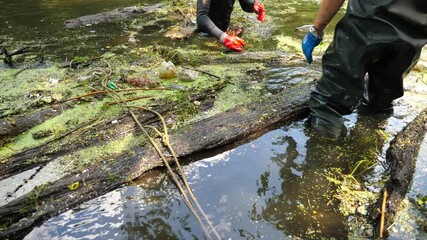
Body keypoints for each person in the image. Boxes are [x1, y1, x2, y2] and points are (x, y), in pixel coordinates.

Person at [301, 0, 427, 140]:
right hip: (410, 39)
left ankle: (322, 154)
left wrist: (317, 29)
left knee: (328, 107)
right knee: (380, 102)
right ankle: (371, 147)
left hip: (363, 28)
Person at [196, 0, 266, 52]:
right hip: (205, 35)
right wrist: (223, 37)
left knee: (239, 30)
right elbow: (202, 16)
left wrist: (253, 5)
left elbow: (245, 5)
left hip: (224, 31)